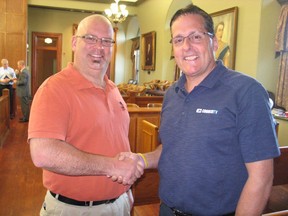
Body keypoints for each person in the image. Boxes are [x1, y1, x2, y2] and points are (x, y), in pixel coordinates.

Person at [118, 4, 280, 216]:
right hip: (167, 210)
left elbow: (262, 178)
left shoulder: (246, 92)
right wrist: (142, 159)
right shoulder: (171, 95)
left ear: (213, 42)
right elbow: (172, 147)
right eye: (178, 39)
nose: (186, 46)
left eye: (195, 37)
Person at [28, 14, 144, 216]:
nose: (99, 47)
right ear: (74, 42)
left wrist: (125, 193)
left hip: (120, 204)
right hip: (75, 210)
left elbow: (116, 142)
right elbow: (43, 153)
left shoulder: (113, 89)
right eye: (90, 38)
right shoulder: (54, 89)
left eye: (106, 41)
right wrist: (112, 166)